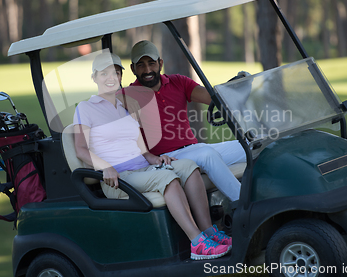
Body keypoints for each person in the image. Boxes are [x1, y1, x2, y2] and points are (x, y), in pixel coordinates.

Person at [73, 52, 232, 260]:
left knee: (188, 167)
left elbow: (142, 149)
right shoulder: (86, 108)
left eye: (115, 73)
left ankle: (209, 231)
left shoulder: (125, 106)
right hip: (119, 178)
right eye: (104, 74)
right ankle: (197, 243)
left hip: (143, 169)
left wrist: (155, 159)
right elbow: (80, 149)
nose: (110, 78)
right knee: (168, 178)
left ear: (121, 76)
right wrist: (105, 167)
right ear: (94, 77)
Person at [121, 40, 245, 202]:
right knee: (207, 155)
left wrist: (238, 87)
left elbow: (213, 99)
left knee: (249, 144)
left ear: (160, 63)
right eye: (141, 65)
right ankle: (245, 204)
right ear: (133, 69)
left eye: (151, 63)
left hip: (194, 148)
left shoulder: (178, 82)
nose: (147, 70)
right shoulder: (127, 95)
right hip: (166, 158)